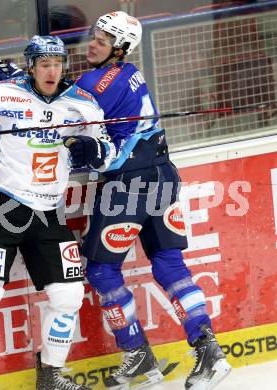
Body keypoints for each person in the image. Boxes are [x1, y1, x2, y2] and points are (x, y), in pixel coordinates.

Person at [0, 35, 115, 390]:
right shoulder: (1, 93)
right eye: (44, 64)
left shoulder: (84, 105)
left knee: (68, 296)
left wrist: (93, 149)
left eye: (57, 64)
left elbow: (107, 151)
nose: (52, 71)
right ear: (31, 66)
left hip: (48, 212)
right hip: (0, 207)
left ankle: (50, 377)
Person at [66, 11, 232, 390]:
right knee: (169, 263)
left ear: (120, 48)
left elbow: (56, 106)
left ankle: (138, 354)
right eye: (94, 36)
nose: (93, 43)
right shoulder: (128, 73)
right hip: (163, 175)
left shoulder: (95, 82)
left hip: (128, 185)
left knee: (101, 270)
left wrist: (19, 83)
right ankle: (210, 352)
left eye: (103, 41)